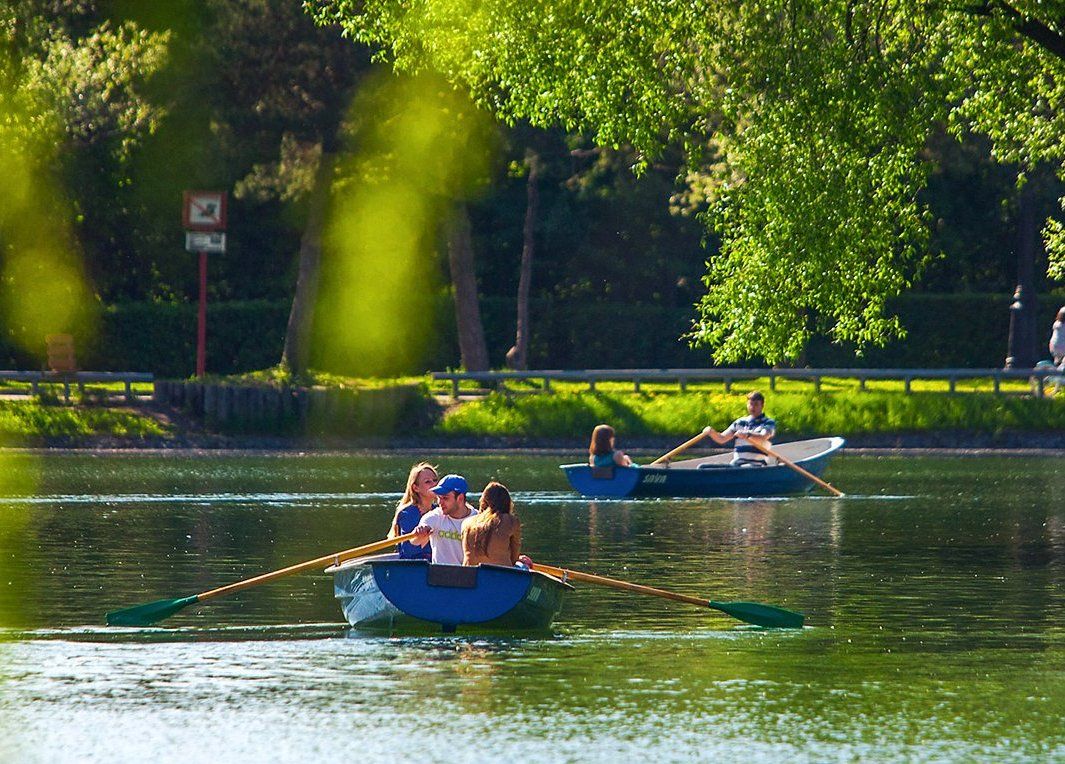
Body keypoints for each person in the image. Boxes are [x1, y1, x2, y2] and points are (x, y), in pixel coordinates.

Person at [409, 474, 477, 565]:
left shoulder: (477, 519)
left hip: (468, 575)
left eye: (445, 498)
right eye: (439, 498)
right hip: (439, 575)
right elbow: (414, 541)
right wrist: (419, 533)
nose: (440, 503)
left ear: (460, 498)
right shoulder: (435, 516)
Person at [702, 390, 776, 466]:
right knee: (703, 467)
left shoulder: (768, 422)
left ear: (762, 406)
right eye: (750, 404)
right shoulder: (740, 422)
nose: (752, 407)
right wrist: (711, 432)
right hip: (737, 464)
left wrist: (748, 434)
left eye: (756, 404)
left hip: (756, 464)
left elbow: (764, 436)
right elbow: (722, 438)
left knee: (746, 467)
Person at [462, 481, 522, 567]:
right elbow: (514, 557)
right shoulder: (511, 521)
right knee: (524, 565)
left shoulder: (466, 523)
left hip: (471, 576)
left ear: (483, 501)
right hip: (500, 574)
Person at [388, 462, 438, 561]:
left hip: (435, 567)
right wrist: (420, 538)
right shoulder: (407, 513)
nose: (434, 484)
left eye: (435, 480)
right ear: (416, 488)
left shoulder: (439, 510)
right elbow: (408, 551)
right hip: (413, 567)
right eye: (428, 482)